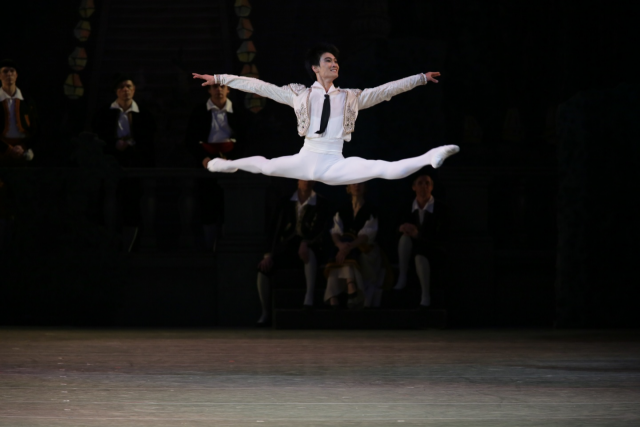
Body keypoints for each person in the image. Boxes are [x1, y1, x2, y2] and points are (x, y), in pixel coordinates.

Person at [192, 43, 459, 186]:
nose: (335, 64)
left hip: (334, 163)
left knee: (383, 169)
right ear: (315, 68)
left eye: (336, 61)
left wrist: (420, 78)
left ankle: (429, 157)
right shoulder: (299, 94)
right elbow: (258, 86)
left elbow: (385, 90)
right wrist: (218, 77)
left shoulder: (350, 97)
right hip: (306, 158)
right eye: (328, 60)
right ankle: (224, 165)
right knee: (264, 165)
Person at [256, 180, 331, 325]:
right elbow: (274, 229)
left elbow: (319, 227)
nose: (307, 181)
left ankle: (308, 299)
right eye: (304, 177)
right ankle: (265, 312)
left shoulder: (320, 202)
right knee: (263, 268)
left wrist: (306, 242)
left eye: (310, 178)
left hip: (311, 245)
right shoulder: (285, 201)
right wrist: (268, 254)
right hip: (288, 246)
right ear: (298, 180)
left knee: (308, 253)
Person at [324, 182, 387, 309]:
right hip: (346, 248)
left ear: (365, 187)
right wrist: (341, 245)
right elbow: (335, 231)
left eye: (360, 184)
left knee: (347, 254)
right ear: (348, 188)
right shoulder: (341, 209)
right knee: (341, 252)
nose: (357, 186)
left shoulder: (371, 210)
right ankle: (350, 285)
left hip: (365, 249)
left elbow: (367, 235)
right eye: (353, 184)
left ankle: (336, 295)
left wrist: (348, 247)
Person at [394, 172, 449, 308]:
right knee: (404, 239)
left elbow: (442, 237)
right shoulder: (407, 207)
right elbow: (393, 229)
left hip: (433, 251)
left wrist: (418, 234)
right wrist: (402, 228)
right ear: (414, 187)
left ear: (432, 187)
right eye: (420, 183)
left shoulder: (440, 209)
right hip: (412, 249)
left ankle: (425, 295)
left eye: (427, 183)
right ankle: (402, 276)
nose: (424, 187)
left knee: (420, 257)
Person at [92, 75, 156, 168]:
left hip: (137, 161)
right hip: (110, 160)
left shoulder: (144, 114)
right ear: (116, 91)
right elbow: (99, 134)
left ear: (133, 89)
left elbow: (148, 139)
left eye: (128, 86)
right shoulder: (104, 113)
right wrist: (115, 144)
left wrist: (131, 144)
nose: (125, 89)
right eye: (121, 87)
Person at [184, 82, 248, 166]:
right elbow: (190, 139)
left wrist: (233, 159)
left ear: (228, 89)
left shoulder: (237, 112)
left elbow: (244, 138)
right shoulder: (199, 112)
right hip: (206, 156)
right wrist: (203, 158)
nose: (219, 89)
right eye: (215, 86)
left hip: (231, 155)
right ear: (209, 90)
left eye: (222, 86)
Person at [0, 59, 38, 166]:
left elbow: (36, 128)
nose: (9, 74)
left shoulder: (27, 101)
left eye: (12, 71)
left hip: (23, 150)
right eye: (5, 71)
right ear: (0, 76)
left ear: (16, 75)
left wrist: (23, 147)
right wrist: (7, 149)